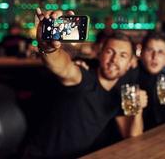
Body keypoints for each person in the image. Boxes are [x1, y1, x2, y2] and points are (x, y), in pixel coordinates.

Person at [23, 9, 148, 158]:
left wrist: (138, 110)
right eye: (110, 52)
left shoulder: (119, 93)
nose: (114, 59)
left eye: (123, 55)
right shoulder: (83, 77)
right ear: (99, 54)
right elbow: (63, 67)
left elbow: (132, 139)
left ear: (130, 63)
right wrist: (48, 47)